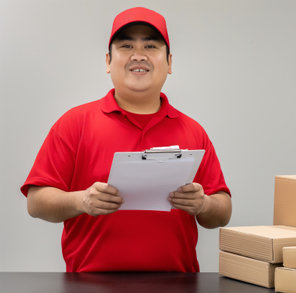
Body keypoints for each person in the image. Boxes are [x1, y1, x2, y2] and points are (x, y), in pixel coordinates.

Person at [20, 7, 232, 272]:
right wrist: (81, 200)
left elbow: (222, 211)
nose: (138, 55)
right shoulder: (74, 124)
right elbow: (36, 202)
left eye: (151, 46)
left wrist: (204, 204)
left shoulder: (193, 131)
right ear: (108, 61)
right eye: (127, 45)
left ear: (169, 63)